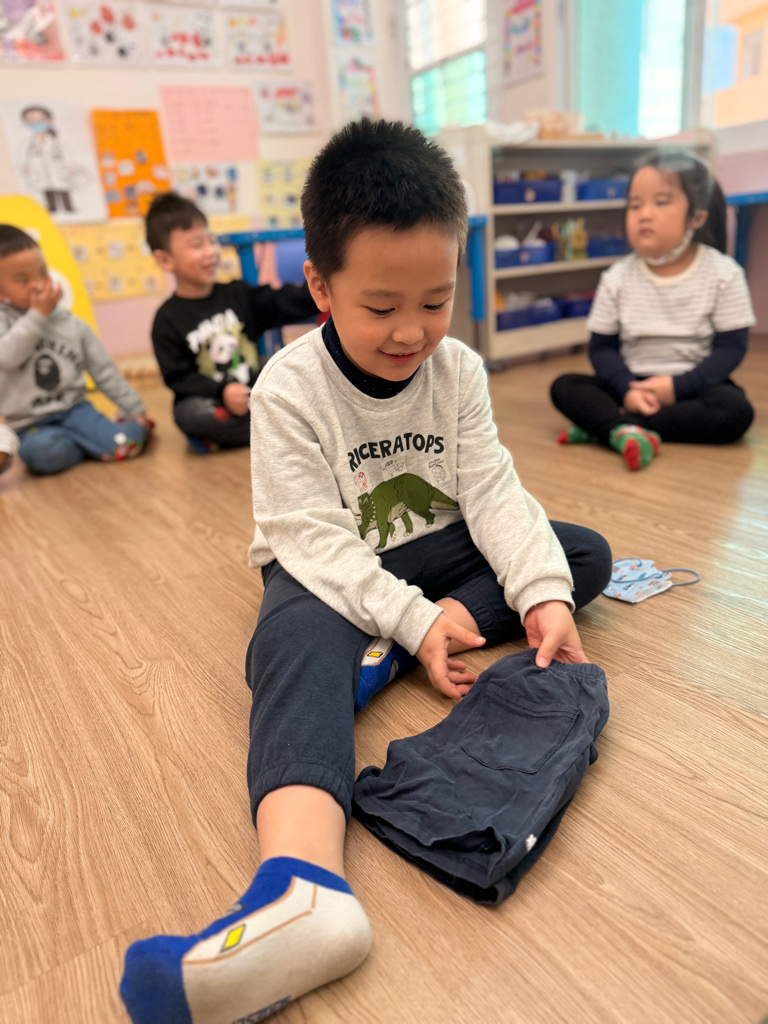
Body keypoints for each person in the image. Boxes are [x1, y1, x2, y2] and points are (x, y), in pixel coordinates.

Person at [120, 120, 612, 1023]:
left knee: (577, 553)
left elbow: (493, 492)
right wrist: (417, 616)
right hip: (328, 562)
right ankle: (303, 886)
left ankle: (378, 653)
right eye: (381, 307)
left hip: (433, 550)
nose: (412, 331)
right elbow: (305, 537)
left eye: (436, 300)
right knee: (293, 635)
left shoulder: (457, 371)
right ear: (320, 286)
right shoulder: (288, 388)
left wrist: (542, 594)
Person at [551, 150, 756, 470]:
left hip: (691, 387)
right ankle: (621, 424)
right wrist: (626, 389)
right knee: (564, 386)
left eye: (661, 202)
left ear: (697, 217)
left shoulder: (724, 274)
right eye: (635, 205)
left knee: (734, 411)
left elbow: (731, 349)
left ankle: (612, 427)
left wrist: (676, 388)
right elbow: (602, 349)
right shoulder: (616, 277)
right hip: (630, 385)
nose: (644, 214)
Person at [145, 192, 319, 452]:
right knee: (189, 414)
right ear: (165, 259)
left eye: (211, 241)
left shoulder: (237, 294)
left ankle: (266, 427)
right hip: (214, 400)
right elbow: (180, 378)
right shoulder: (167, 320)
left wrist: (323, 287)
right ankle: (279, 427)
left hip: (255, 387)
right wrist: (222, 392)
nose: (211, 251)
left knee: (286, 371)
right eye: (197, 245)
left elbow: (282, 302)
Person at [0, 225, 151, 476]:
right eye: (22, 280)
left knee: (124, 442)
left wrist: (135, 410)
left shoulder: (71, 324)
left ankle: (107, 436)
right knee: (42, 454)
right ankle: (87, 445)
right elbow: (6, 357)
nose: (37, 284)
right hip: (30, 425)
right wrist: (38, 316)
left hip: (76, 411)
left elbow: (104, 372)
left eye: (42, 272)